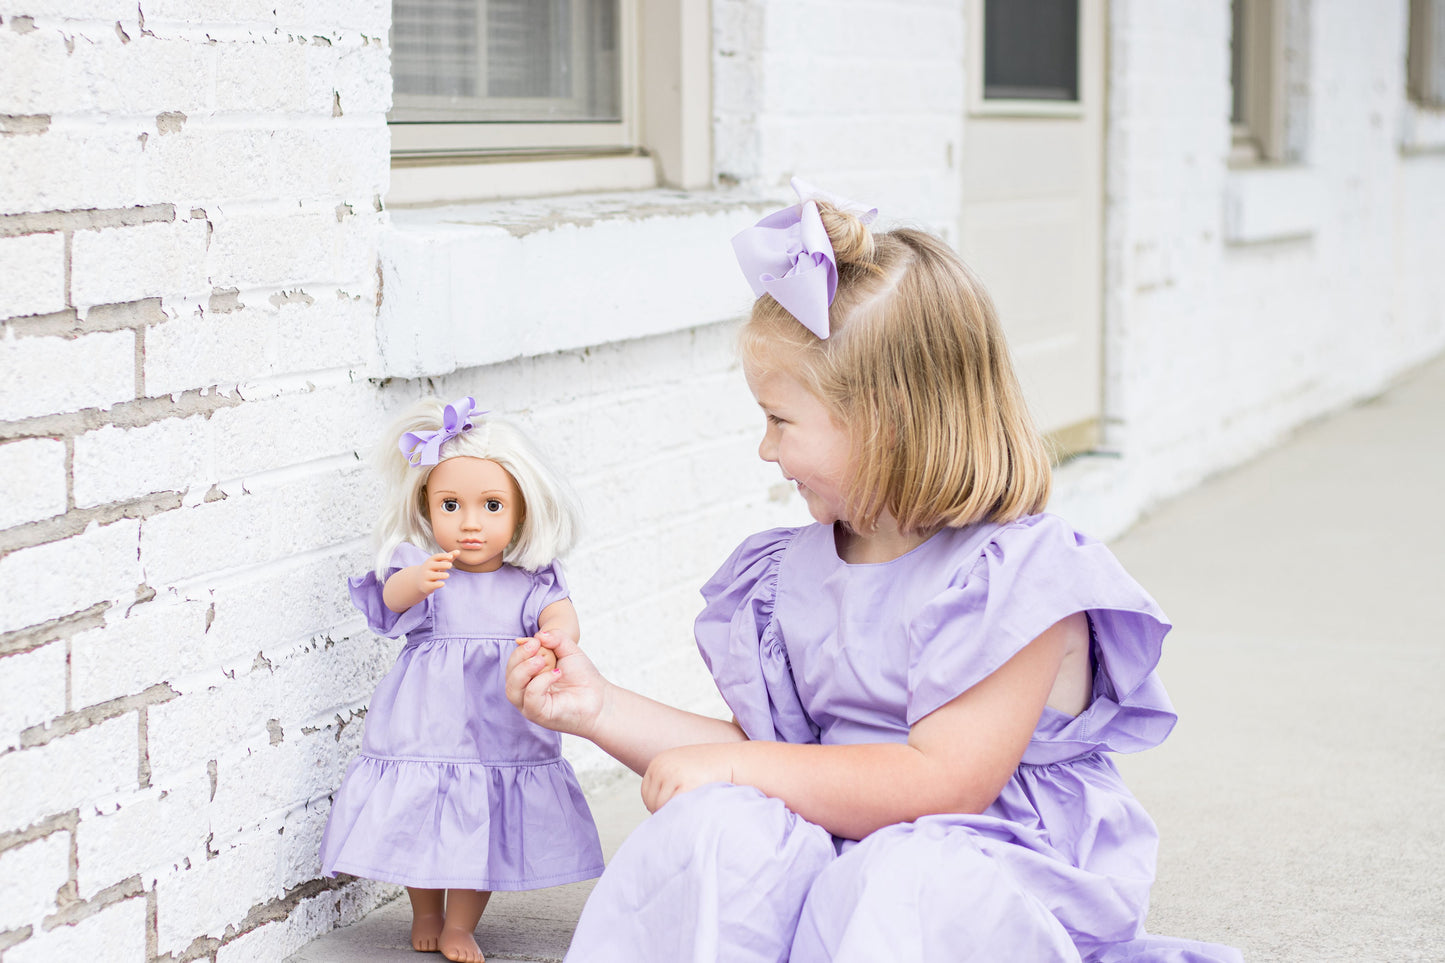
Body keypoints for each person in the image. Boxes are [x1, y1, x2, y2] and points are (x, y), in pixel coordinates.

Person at [506, 182, 1243, 962]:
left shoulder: (1018, 580)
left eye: (780, 421)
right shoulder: (790, 574)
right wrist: (598, 707)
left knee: (904, 876)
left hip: (984, 873)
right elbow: (775, 752)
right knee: (715, 824)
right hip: (841, 869)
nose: (765, 448)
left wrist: (735, 763)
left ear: (885, 425)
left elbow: (940, 781)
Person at [320, 396, 604, 963]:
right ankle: (425, 910)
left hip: (500, 722)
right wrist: (415, 582)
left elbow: (561, 614)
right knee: (422, 815)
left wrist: (555, 637)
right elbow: (387, 604)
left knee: (483, 822)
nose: (470, 522)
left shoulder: (531, 578)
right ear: (427, 507)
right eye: (451, 504)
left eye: (491, 505)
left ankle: (460, 924)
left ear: (522, 512)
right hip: (428, 724)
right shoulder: (425, 568)